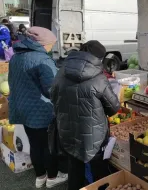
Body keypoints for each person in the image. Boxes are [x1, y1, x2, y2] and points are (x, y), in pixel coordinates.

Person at [51, 40, 120, 190]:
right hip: (94, 136)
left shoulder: (61, 71)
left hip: (67, 131)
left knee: (75, 171)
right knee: (99, 173)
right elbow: (114, 108)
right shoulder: (99, 78)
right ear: (98, 58)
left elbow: (53, 96)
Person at [8, 26, 68, 188]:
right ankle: (52, 177)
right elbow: (51, 90)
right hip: (41, 111)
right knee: (48, 146)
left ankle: (40, 176)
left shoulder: (16, 57)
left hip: (23, 109)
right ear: (42, 43)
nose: (51, 48)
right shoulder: (42, 59)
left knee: (35, 144)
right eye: (50, 45)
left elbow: (12, 83)